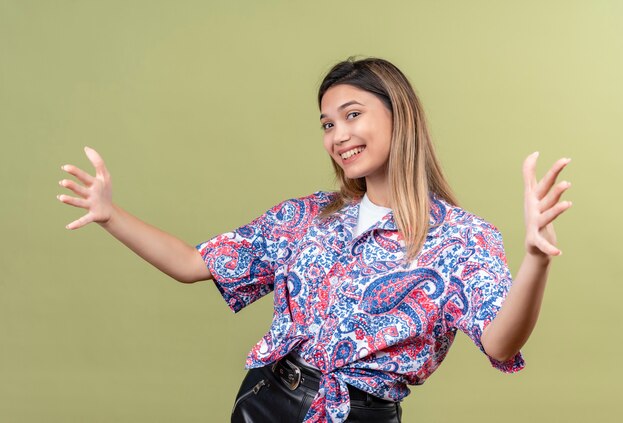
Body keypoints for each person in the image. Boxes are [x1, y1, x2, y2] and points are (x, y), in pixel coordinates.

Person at [57, 57, 572, 423]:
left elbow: (502, 341)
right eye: (328, 123)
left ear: (400, 115)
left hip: (360, 414)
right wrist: (110, 215)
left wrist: (535, 259)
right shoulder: (304, 218)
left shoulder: (462, 238)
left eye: (352, 114)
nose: (338, 135)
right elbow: (194, 263)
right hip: (266, 399)